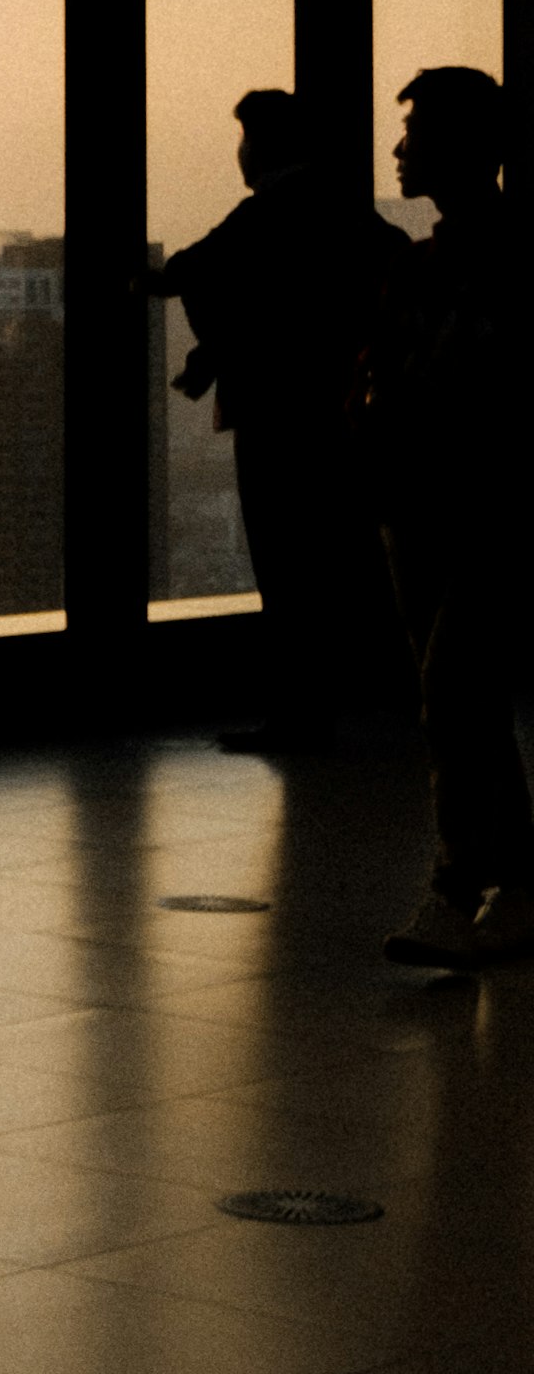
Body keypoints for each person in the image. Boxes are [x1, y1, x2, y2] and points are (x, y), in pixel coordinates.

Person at [156, 88, 400, 752]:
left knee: (286, 568)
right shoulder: (346, 214)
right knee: (338, 560)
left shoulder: (262, 215)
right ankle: (371, 699)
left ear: (260, 145)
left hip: (275, 418)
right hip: (342, 415)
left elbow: (185, 272)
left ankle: (300, 715)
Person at [364, 63, 529, 969]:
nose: (400, 148)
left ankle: (459, 885)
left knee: (453, 691)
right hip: (434, 505)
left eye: (417, 132)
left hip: (472, 509)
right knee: (467, 700)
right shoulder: (428, 264)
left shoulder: (458, 267)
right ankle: (515, 885)